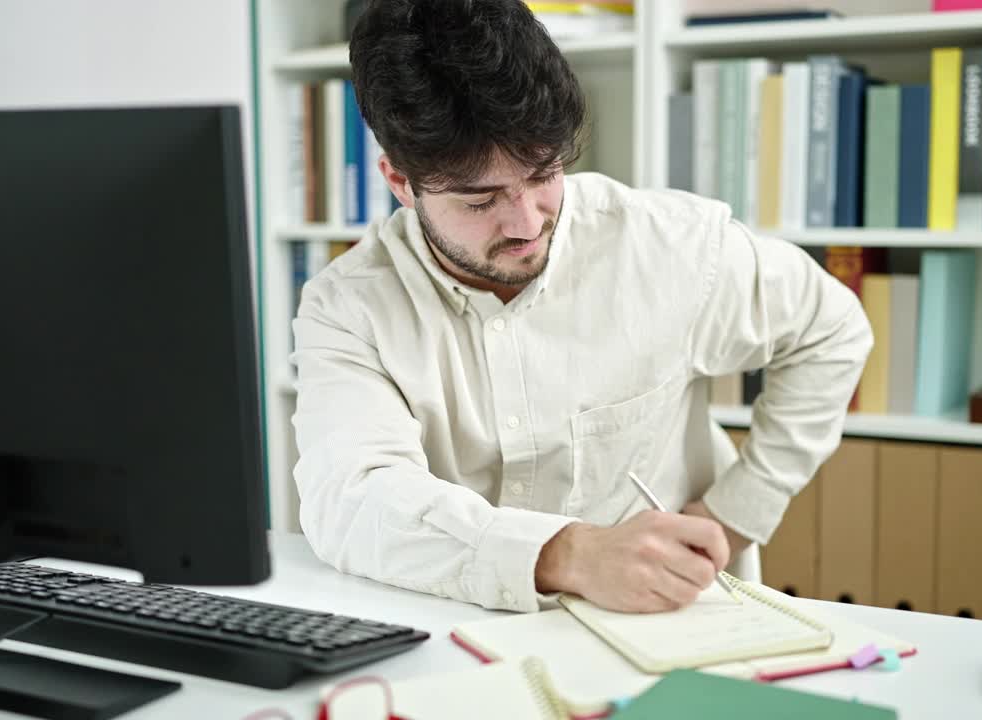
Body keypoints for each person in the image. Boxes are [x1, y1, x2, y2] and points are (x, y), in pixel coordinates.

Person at [291, 0, 873, 614]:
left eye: (544, 173)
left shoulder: (670, 246)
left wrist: (738, 512)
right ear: (400, 182)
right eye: (479, 199)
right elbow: (352, 498)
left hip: (666, 624)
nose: (525, 223)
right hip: (455, 630)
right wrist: (561, 554)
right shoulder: (348, 307)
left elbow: (832, 330)